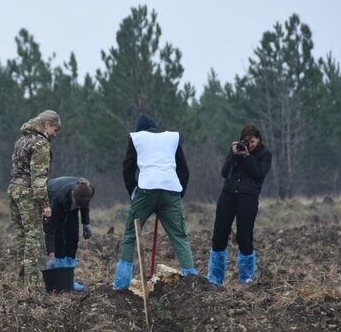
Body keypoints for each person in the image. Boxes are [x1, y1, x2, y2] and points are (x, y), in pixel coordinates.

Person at [112, 114, 197, 289]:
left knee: (130, 235)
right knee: (180, 237)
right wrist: (177, 195)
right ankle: (191, 281)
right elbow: (184, 169)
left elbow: (128, 169)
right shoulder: (172, 138)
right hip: (171, 191)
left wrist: (134, 193)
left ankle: (121, 285)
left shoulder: (136, 138)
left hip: (146, 189)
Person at [206, 124, 272, 285]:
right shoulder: (236, 151)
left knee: (244, 236)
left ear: (259, 140)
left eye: (252, 141)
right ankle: (215, 277)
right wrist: (233, 155)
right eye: (246, 141)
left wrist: (247, 156)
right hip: (228, 195)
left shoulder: (265, 154)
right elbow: (224, 172)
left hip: (248, 197)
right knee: (219, 235)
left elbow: (259, 174)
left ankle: (246, 277)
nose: (249, 144)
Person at [8, 110, 61, 289]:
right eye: (55, 129)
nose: (55, 134)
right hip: (27, 193)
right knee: (34, 236)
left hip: (13, 190)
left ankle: (21, 283)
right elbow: (38, 178)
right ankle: (31, 287)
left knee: (22, 236)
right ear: (47, 125)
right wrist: (45, 204)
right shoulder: (41, 144)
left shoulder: (22, 140)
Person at [43, 177, 95, 290]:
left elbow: (85, 206)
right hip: (54, 200)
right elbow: (50, 228)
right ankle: (59, 279)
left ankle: (69, 279)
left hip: (70, 202)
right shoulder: (58, 197)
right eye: (77, 206)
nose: (78, 208)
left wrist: (86, 223)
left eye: (79, 207)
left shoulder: (88, 190)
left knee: (73, 238)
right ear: (72, 195)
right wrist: (51, 255)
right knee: (59, 238)